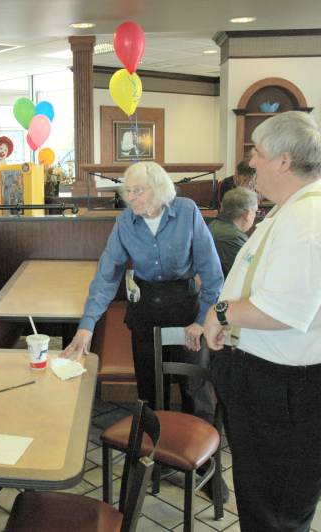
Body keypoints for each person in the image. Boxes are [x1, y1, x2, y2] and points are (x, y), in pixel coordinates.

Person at [204, 111, 321, 531]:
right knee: (261, 503)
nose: (251, 162)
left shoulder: (310, 222)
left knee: (275, 514)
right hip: (277, 384)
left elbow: (282, 312)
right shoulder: (295, 207)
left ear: (284, 161)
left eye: (258, 152)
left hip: (293, 392)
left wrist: (220, 313)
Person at [61, 161, 226, 498]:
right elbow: (107, 276)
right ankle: (159, 456)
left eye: (139, 190)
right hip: (146, 308)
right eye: (128, 191)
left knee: (196, 389)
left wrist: (202, 320)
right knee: (151, 389)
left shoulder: (186, 211)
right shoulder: (125, 223)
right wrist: (86, 327)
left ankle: (207, 465)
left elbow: (212, 273)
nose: (131, 197)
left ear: (160, 189)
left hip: (185, 307)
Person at [208, 187, 258, 276]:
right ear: (247, 214)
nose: (255, 216)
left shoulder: (213, 225)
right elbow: (252, 274)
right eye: (255, 212)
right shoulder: (233, 238)